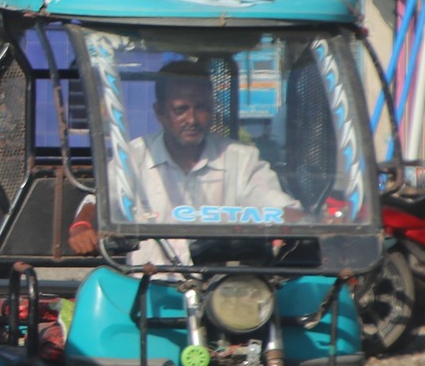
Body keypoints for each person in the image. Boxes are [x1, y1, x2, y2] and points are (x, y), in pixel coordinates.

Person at [68, 59, 299, 265]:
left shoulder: (241, 159)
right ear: (160, 112)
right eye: (181, 110)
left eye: (201, 108)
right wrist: (82, 228)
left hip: (224, 294)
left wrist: (302, 219)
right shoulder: (133, 157)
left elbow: (276, 205)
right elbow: (99, 203)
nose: (192, 119)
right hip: (150, 287)